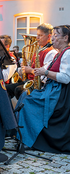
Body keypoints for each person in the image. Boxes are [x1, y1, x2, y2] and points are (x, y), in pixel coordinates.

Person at [18, 25, 70, 153]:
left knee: (28, 102)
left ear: (66, 38)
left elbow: (66, 78)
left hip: (59, 93)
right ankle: (26, 137)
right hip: (52, 89)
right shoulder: (59, 53)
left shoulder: (68, 53)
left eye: (56, 35)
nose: (52, 38)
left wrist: (45, 73)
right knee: (26, 98)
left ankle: (29, 140)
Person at [6, 23, 58, 99]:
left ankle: (22, 109)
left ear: (49, 37)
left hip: (39, 85)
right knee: (6, 88)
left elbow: (45, 75)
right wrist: (22, 68)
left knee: (18, 90)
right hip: (30, 81)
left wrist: (30, 70)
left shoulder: (51, 52)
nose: (37, 38)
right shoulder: (39, 50)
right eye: (37, 35)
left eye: (40, 35)